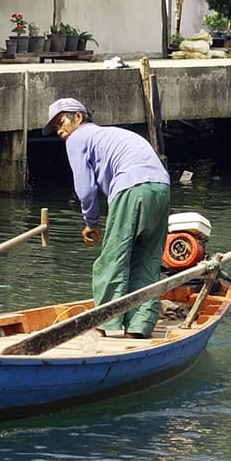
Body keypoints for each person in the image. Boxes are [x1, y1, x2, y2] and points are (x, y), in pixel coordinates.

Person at [42, 98, 171, 338]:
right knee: (147, 259)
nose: (60, 132)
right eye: (55, 129)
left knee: (113, 257)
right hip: (161, 187)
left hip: (131, 186)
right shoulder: (111, 134)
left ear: (78, 118)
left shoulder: (78, 138)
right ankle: (139, 327)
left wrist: (91, 222)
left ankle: (106, 322)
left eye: (61, 123)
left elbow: (86, 188)